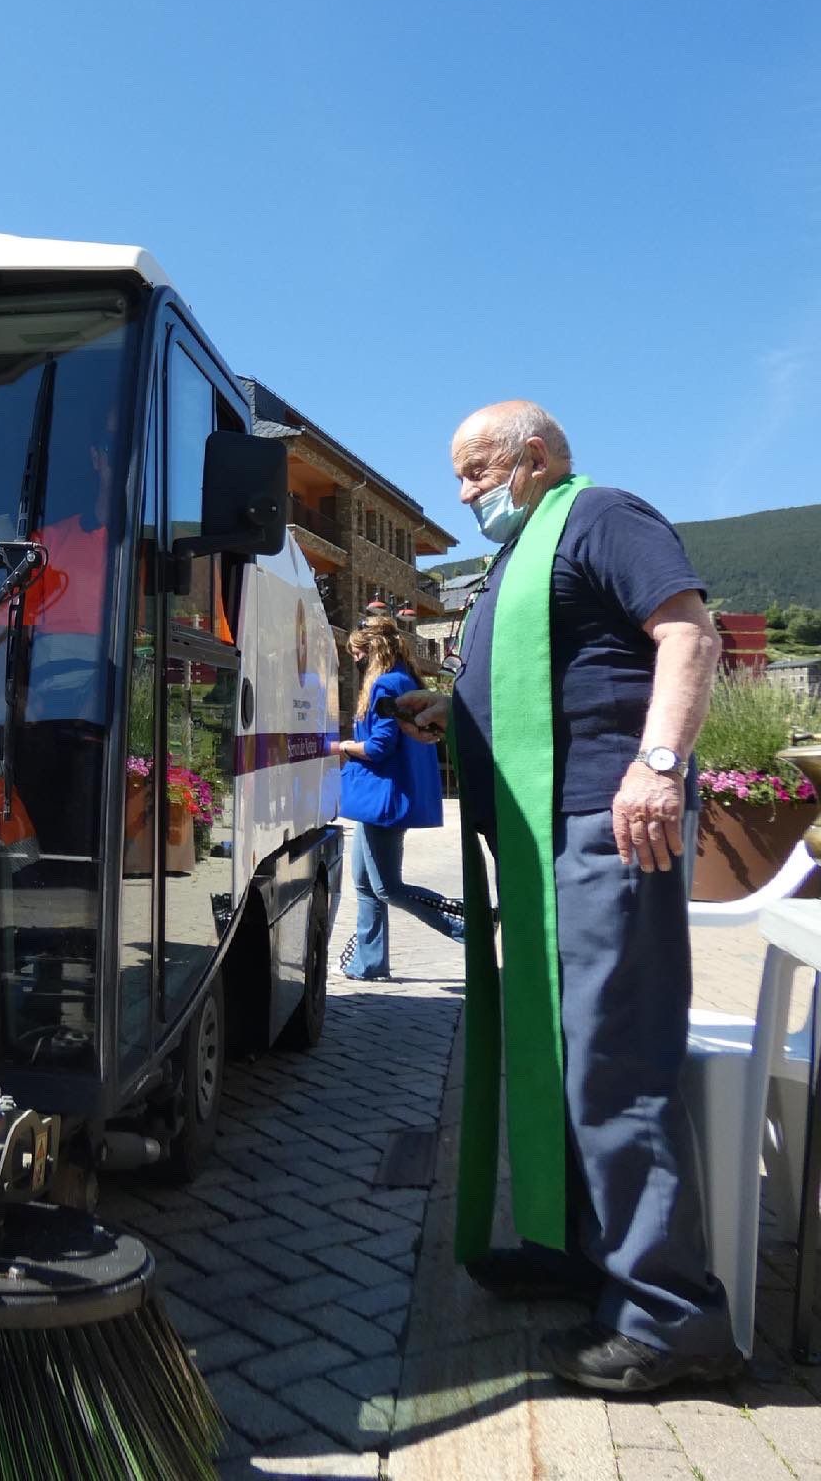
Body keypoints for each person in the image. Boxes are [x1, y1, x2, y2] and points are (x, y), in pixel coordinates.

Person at [396, 399, 737, 1393]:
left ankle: (672, 1319)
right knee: (561, 1052)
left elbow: (689, 636)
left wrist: (659, 765)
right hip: (552, 833)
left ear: (533, 456)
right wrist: (447, 710)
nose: (463, 497)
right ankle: (588, 1252)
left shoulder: (604, 517)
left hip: (606, 821)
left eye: (474, 472)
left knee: (614, 1063)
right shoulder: (528, 551)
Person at [335, 617, 462, 980]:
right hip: (379, 796)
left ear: (372, 651)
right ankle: (369, 962)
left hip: (383, 797)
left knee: (386, 887)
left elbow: (378, 747)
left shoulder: (387, 684)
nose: (355, 660)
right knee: (365, 884)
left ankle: (464, 923)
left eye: (357, 654)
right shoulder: (405, 678)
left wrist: (343, 745)